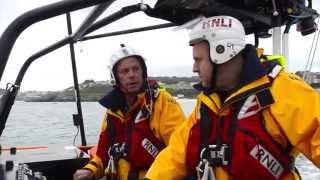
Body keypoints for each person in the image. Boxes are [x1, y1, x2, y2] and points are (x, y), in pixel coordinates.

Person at [145, 15, 320, 179]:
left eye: (199, 59)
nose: (194, 68)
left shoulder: (282, 89)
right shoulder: (207, 102)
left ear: (221, 53)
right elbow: (175, 156)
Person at [73, 44, 186, 180]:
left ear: (143, 72)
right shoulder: (112, 111)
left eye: (136, 69)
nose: (132, 75)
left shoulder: (162, 102)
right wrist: (90, 170)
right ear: (115, 77)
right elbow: (103, 154)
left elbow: (180, 151)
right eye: (125, 71)